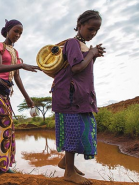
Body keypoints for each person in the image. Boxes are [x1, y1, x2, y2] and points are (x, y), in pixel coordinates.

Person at [51, 10, 106, 184]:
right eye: (90, 29)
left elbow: (83, 68)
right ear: (80, 25)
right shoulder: (72, 42)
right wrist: (91, 53)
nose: (93, 33)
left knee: (80, 128)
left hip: (80, 96)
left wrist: (93, 54)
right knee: (73, 131)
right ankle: (68, 173)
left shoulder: (83, 46)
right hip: (69, 96)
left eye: (96, 30)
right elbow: (75, 68)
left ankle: (66, 163)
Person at [0, 19, 40, 175]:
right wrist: (21, 64)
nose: (18, 35)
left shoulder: (15, 52)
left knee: (8, 127)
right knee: (0, 124)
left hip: (5, 92)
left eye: (21, 33)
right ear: (8, 30)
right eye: (16, 31)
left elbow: (17, 78)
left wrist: (27, 98)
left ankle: (3, 164)